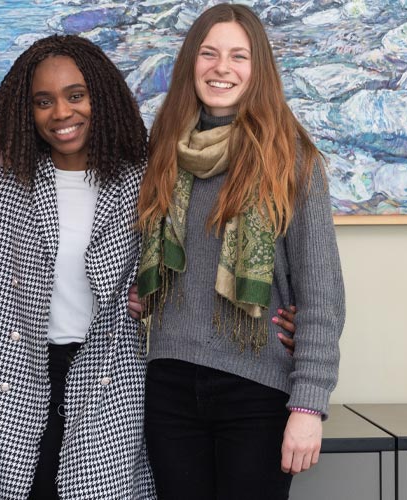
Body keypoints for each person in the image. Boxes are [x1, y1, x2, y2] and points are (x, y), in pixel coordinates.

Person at [136, 4, 345, 500]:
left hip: (257, 391)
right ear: (191, 63)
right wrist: (141, 287)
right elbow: (147, 255)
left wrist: (308, 408)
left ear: (259, 70)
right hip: (169, 386)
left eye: (238, 56)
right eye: (208, 53)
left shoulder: (293, 161)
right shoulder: (164, 151)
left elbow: (322, 298)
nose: (221, 68)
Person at [0, 35, 154, 499]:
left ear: (100, 96)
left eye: (75, 96)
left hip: (111, 372)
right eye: (44, 102)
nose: (61, 113)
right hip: (25, 375)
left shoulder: (141, 180)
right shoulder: (7, 184)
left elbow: (185, 259)